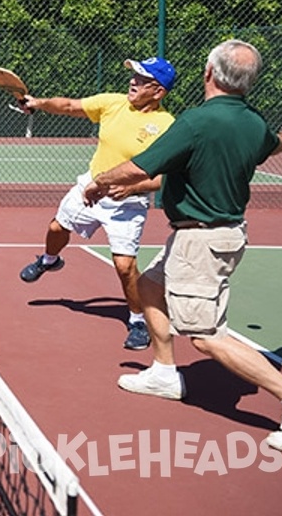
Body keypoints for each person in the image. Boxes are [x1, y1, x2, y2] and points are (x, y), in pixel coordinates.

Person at [85, 39, 282, 454]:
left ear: (208, 73)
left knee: (205, 336)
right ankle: (165, 372)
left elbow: (139, 167)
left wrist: (99, 183)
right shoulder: (254, 122)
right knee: (149, 287)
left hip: (202, 241)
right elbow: (270, 148)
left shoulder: (195, 122)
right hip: (205, 236)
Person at [17, 56, 178, 351]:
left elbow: (168, 177)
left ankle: (137, 320)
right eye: (134, 76)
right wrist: (37, 103)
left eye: (142, 79)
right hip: (88, 187)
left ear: (158, 91)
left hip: (128, 205)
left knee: (125, 266)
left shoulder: (167, 126)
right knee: (56, 229)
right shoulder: (113, 103)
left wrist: (132, 188)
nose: (133, 81)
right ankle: (49, 260)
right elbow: (70, 106)